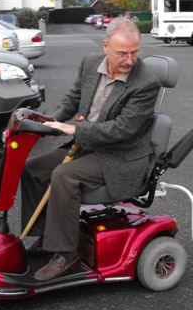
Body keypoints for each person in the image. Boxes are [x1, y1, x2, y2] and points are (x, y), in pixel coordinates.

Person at [21, 18, 161, 281]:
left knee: (64, 175)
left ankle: (67, 254)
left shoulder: (146, 83)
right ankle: (45, 237)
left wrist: (75, 130)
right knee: (33, 169)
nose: (130, 60)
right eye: (122, 53)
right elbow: (73, 99)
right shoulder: (89, 64)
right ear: (106, 46)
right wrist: (51, 122)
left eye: (135, 52)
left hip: (121, 155)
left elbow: (123, 129)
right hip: (89, 144)